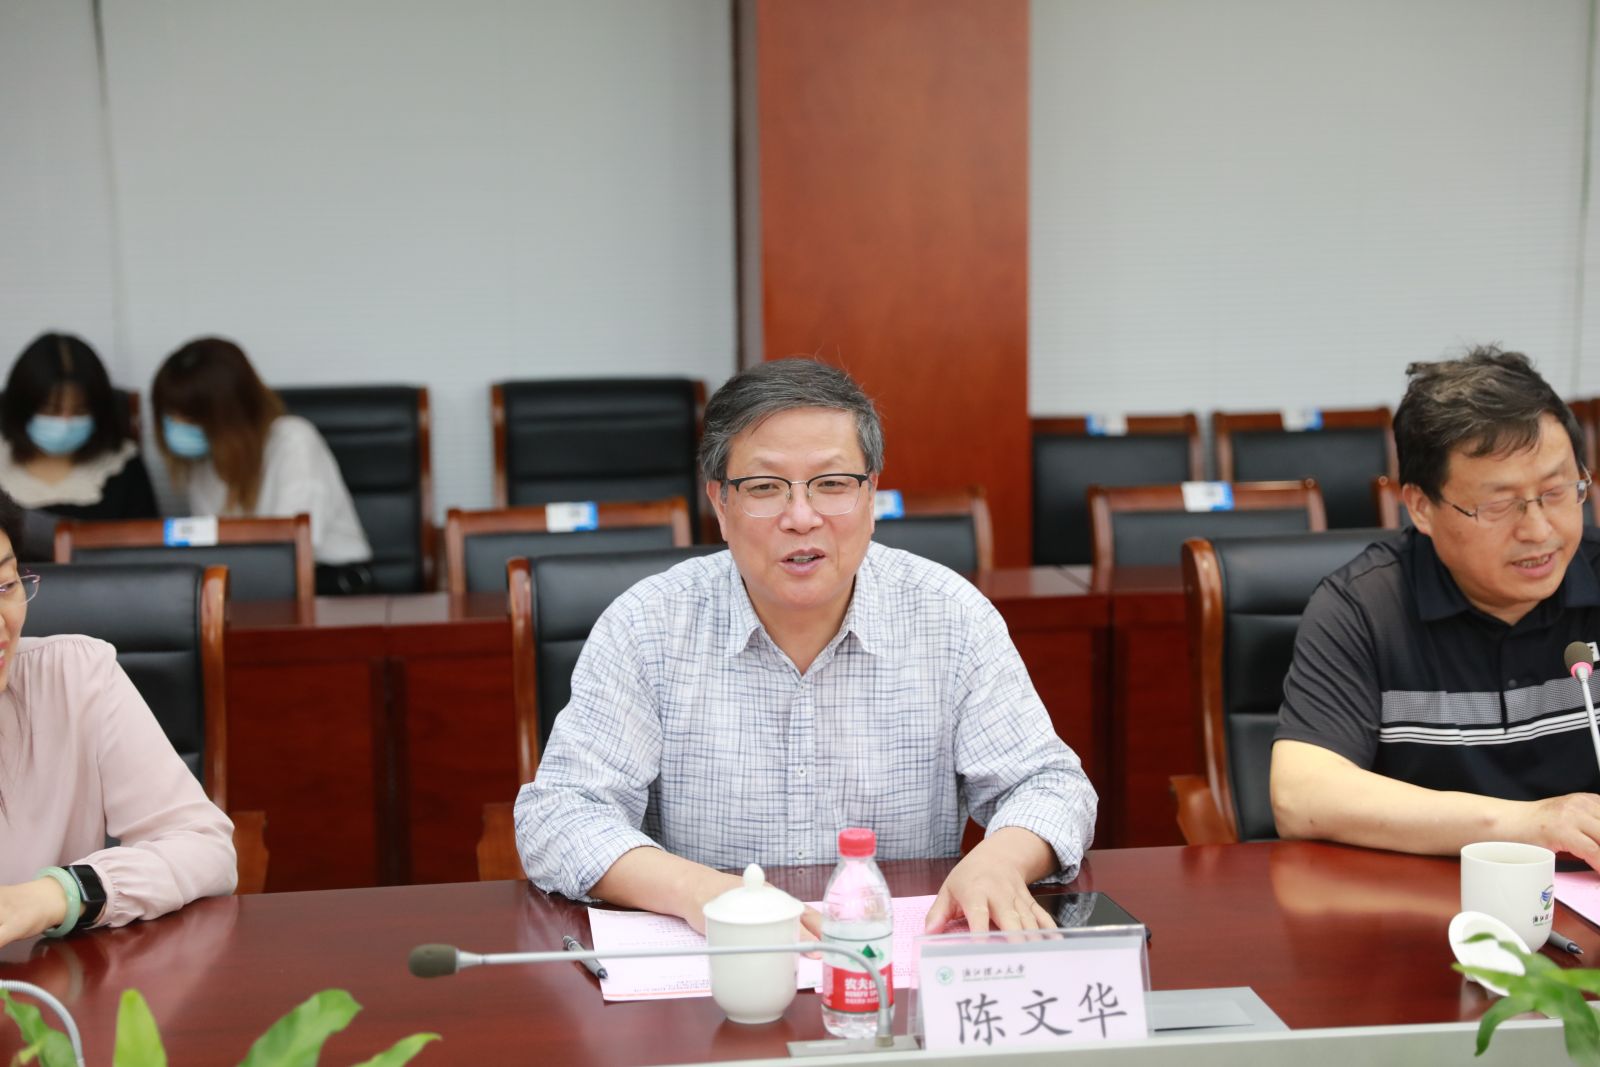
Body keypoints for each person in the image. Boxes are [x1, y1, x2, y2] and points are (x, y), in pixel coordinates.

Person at [515, 358, 1096, 935]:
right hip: (715, 963)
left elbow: (1049, 785)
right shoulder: (647, 625)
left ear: (871, 495)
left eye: (833, 484)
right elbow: (560, 815)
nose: (801, 517)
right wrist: (706, 894)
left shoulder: (951, 616)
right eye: (764, 488)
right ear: (720, 504)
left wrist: (1000, 861)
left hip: (890, 964)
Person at [1272, 346, 1600, 866]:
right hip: (1425, 899)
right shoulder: (1364, 607)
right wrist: (1528, 824)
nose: (1539, 530)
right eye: (1498, 505)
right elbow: (1302, 797)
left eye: (1558, 491)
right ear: (1422, 507)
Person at [0, 487, 236, 948]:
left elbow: (203, 846)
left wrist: (61, 893)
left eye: (5, 585)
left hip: (46, 984)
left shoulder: (74, 676)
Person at [151, 338, 373, 594]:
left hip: (330, 585)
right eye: (170, 414)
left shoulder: (294, 441)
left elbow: (289, 552)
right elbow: (210, 548)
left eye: (189, 416)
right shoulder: (201, 462)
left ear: (229, 412)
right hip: (253, 583)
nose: (178, 425)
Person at [0, 333, 158, 554]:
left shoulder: (123, 465)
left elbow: (149, 549)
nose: (65, 422)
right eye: (50, 411)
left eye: (80, 411)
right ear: (22, 406)